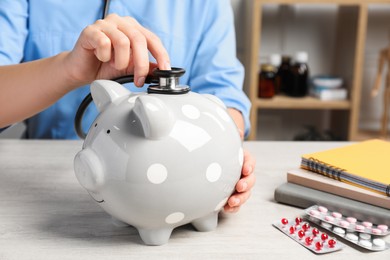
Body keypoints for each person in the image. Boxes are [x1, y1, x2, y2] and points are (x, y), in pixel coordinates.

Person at [0, 0, 255, 213]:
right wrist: (68, 69)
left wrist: (224, 156)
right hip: (36, 188)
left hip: (177, 182)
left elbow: (224, 97)